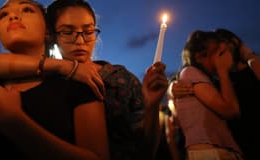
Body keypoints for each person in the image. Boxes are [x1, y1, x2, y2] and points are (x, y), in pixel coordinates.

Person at [0, 0, 109, 159]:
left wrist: (16, 123)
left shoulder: (77, 82)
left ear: (47, 31)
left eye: (27, 10)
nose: (12, 16)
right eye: (3, 15)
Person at [46, 0, 168, 159]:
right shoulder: (46, 81)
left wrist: (152, 106)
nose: (80, 41)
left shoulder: (119, 79)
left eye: (88, 31)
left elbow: (147, 150)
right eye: (68, 32)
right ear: (52, 36)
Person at [169, 28, 260, 160]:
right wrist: (172, 87)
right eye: (220, 51)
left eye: (225, 50)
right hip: (228, 147)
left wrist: (248, 55)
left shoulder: (249, 69)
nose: (225, 54)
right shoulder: (217, 79)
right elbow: (230, 110)